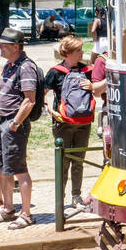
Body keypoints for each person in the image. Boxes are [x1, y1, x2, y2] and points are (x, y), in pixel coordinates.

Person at [0, 28, 40, 229]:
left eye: (3, 44)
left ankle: (26, 214)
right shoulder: (10, 65)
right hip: (2, 123)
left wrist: (15, 124)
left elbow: (29, 100)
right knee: (4, 169)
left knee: (19, 170)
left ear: (15, 47)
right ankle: (9, 209)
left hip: (12, 124)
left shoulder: (26, 67)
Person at [46, 35, 94, 209]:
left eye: (81, 49)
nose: (82, 53)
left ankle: (76, 197)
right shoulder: (55, 72)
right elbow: (41, 95)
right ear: (67, 53)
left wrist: (93, 87)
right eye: (78, 51)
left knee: (78, 161)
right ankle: (60, 199)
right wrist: (51, 111)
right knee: (63, 162)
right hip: (63, 124)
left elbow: (96, 91)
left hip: (83, 122)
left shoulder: (87, 70)